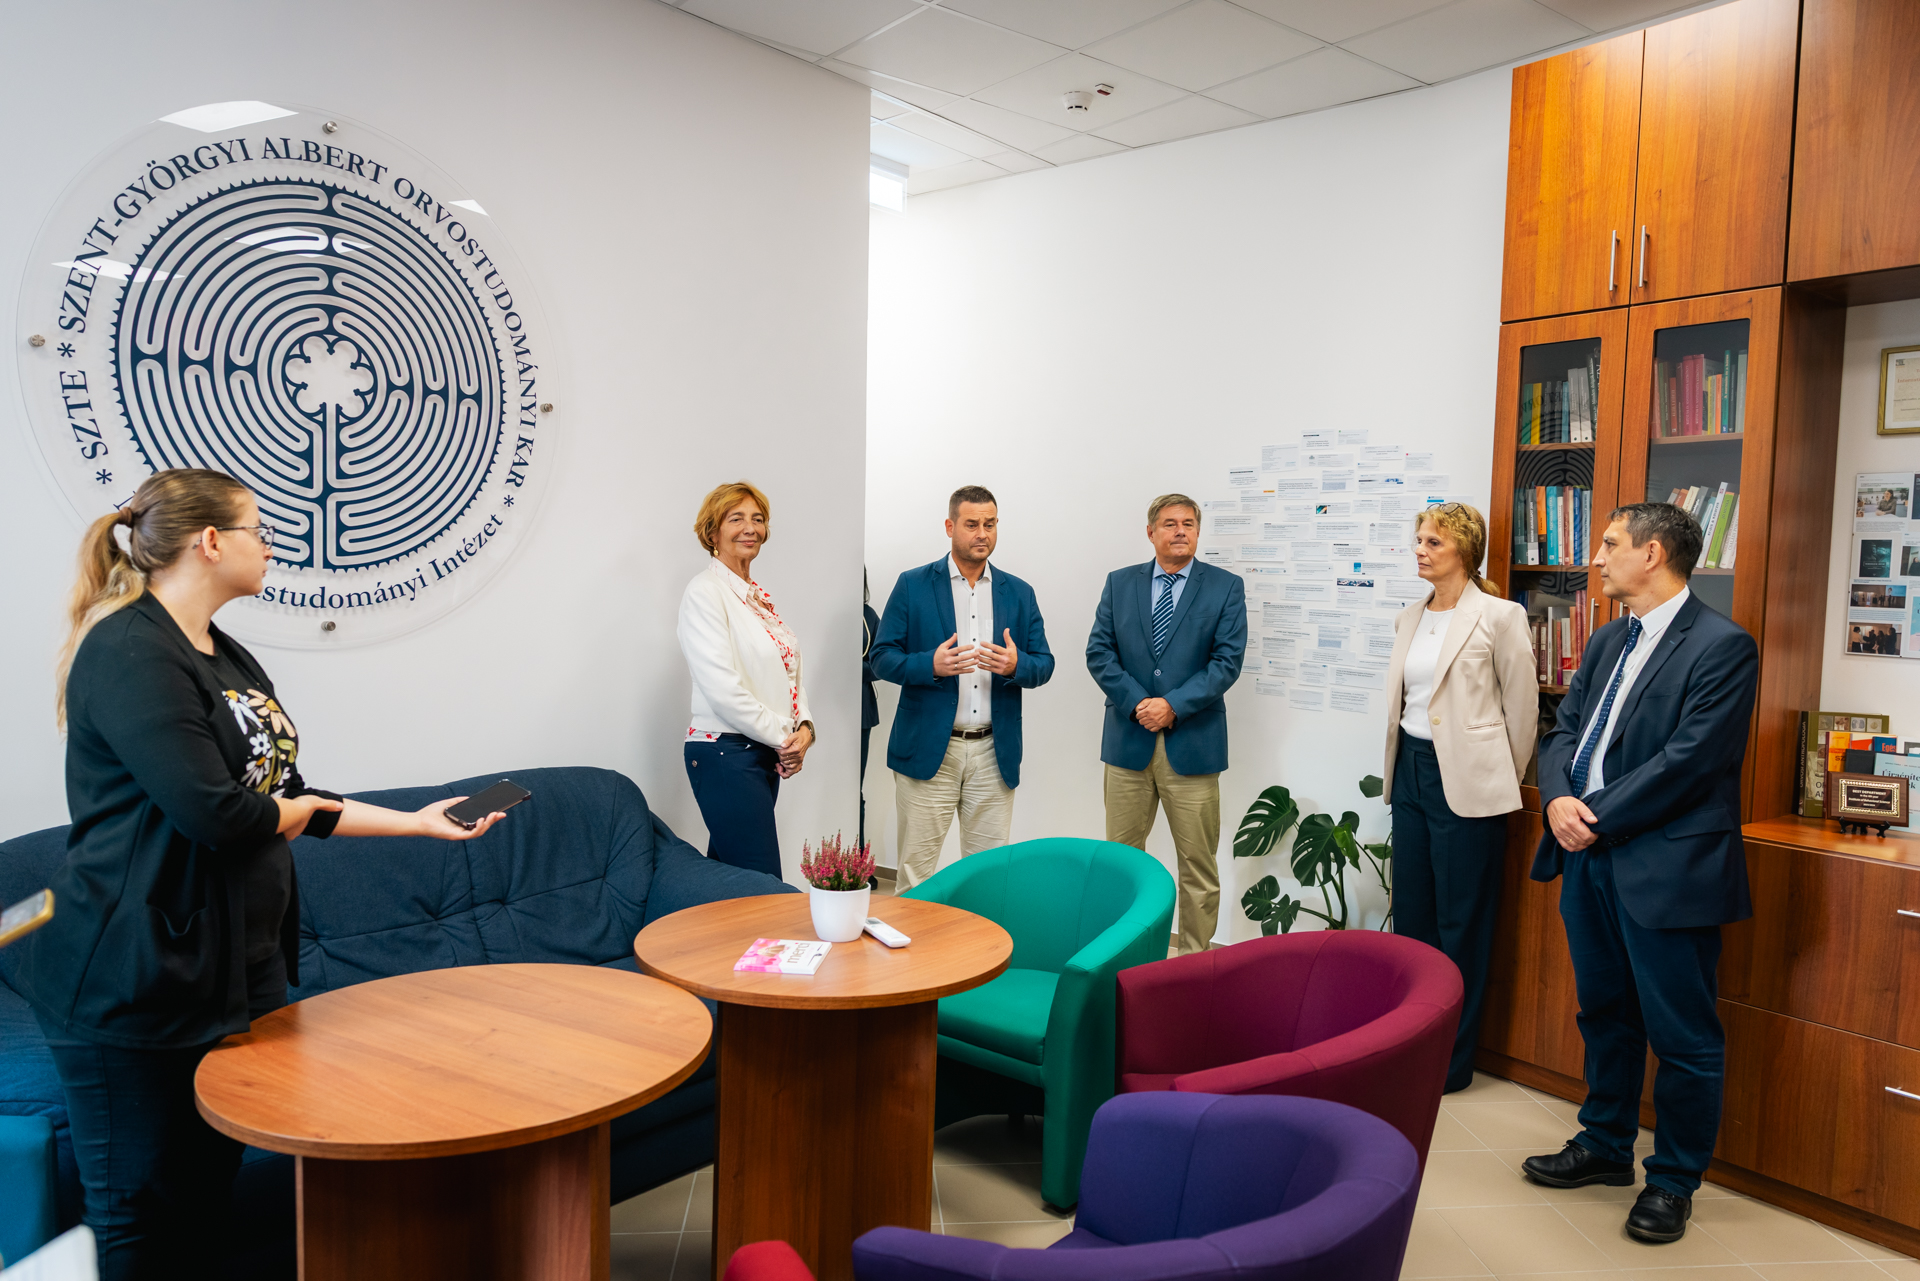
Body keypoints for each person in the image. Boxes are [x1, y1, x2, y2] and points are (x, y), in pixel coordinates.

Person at [14, 469, 509, 1280]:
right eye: (260, 530)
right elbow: (218, 814)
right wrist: (288, 808)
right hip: (131, 975)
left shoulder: (223, 651)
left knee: (209, 1187)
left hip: (231, 971)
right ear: (211, 541)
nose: (272, 546)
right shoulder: (130, 649)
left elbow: (285, 794)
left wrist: (419, 821)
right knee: (138, 1209)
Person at [1520, 503, 1759, 1246]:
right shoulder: (1607, 638)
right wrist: (1556, 798)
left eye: (1610, 544)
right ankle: (1604, 1143)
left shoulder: (1723, 646)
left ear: (1652, 554)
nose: (1596, 557)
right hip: (1587, 855)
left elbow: (1691, 761)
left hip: (1667, 864)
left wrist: (1591, 814)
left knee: (1682, 1034)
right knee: (1605, 1014)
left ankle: (1673, 1181)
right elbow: (1564, 728)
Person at [1380, 503, 1537, 1093]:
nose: (1420, 550)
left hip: (1470, 781)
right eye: (1419, 539)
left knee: (1461, 924)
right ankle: (1410, 1046)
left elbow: (1522, 708)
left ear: (1465, 551)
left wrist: (1497, 778)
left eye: (1433, 542)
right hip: (1411, 772)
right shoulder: (1409, 617)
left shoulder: (1499, 616)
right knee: (1413, 919)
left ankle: (1451, 1064)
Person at [869, 486, 1054, 887]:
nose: (982, 533)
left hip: (993, 752)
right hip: (929, 750)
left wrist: (1017, 665)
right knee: (916, 876)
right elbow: (881, 657)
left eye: (990, 524)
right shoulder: (913, 585)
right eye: (972, 524)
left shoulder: (1019, 593)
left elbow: (1045, 664)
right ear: (950, 526)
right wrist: (929, 665)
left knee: (987, 878)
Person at [1086, 493, 1246, 954]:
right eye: (1170, 523)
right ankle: (1119, 961)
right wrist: (1140, 703)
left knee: (1198, 866)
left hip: (1193, 745)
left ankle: (1194, 965)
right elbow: (1099, 652)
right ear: (1151, 532)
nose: (1180, 531)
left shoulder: (1225, 587)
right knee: (1122, 864)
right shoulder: (1120, 583)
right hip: (1128, 742)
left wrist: (1172, 705)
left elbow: (1226, 662)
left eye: (1189, 523)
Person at [677, 481, 814, 879]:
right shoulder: (704, 592)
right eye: (736, 519)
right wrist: (787, 737)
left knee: (730, 884)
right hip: (725, 752)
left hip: (760, 751)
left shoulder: (754, 598)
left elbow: (788, 672)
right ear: (712, 531)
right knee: (763, 887)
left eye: (757, 519)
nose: (750, 528)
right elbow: (723, 690)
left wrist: (805, 729)